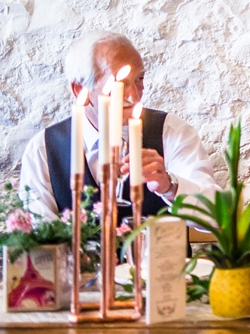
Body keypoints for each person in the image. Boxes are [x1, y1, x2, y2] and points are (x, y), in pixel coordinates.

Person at [18, 31, 219, 219]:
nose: (134, 95)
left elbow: (217, 216)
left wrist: (170, 187)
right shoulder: (44, 150)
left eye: (139, 79)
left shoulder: (171, 132)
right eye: (120, 84)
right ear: (80, 90)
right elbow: (40, 242)